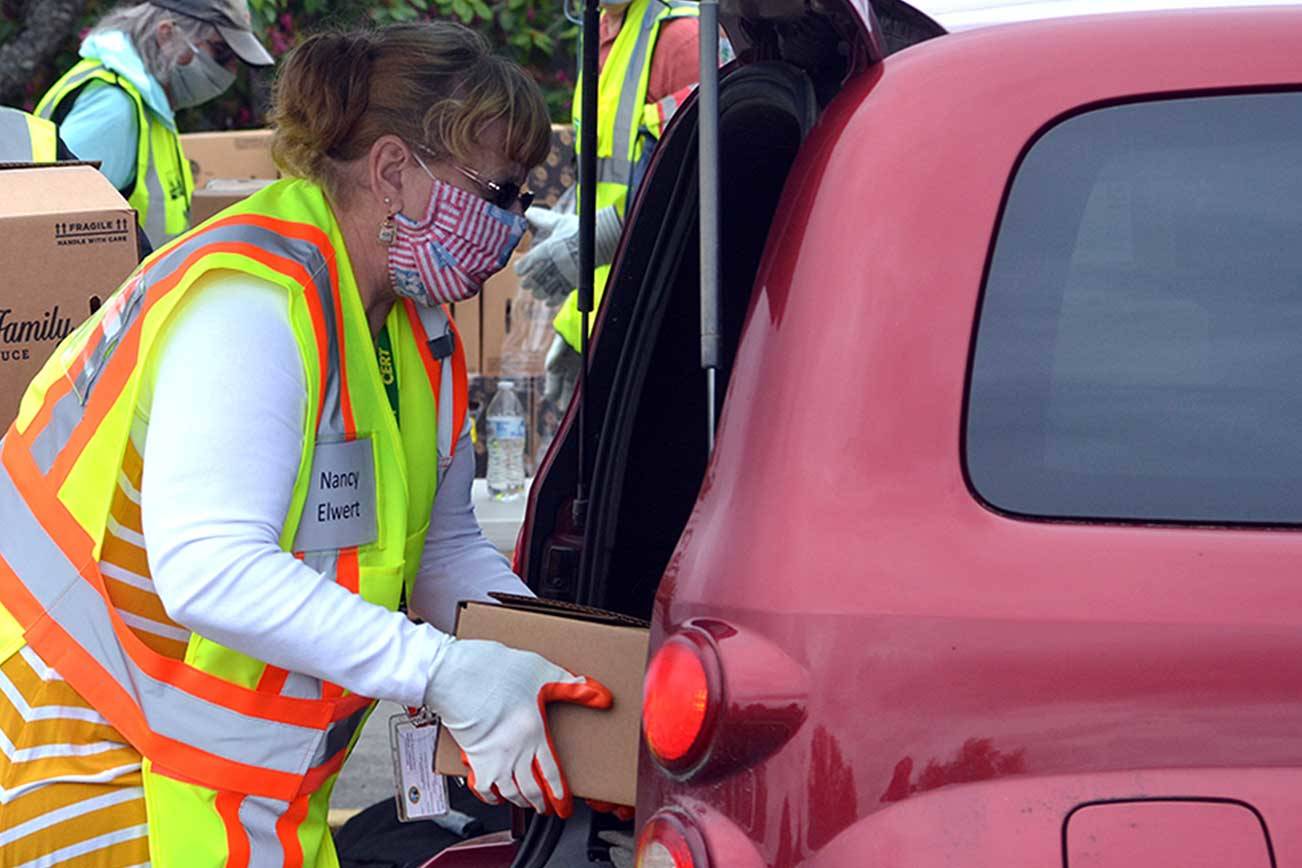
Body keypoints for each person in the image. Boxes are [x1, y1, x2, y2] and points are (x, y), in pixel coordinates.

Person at [0, 23, 610, 866]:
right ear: (393, 169)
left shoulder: (413, 330)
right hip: (100, 766)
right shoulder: (252, 303)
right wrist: (442, 671)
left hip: (240, 781)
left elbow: (442, 547)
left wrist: (540, 663)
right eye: (495, 191)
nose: (510, 226)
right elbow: (210, 568)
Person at [514, 0, 724, 405]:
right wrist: (577, 330)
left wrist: (608, 231)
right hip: (618, 312)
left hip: (665, 322)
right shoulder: (606, 29)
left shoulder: (683, 40)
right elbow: (614, 173)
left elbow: (708, 185)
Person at [35, 0, 274, 247]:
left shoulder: (148, 105)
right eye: (222, 51)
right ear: (167, 35)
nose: (231, 69)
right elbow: (58, 236)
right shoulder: (114, 107)